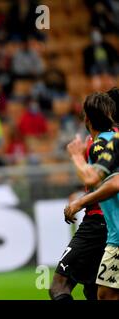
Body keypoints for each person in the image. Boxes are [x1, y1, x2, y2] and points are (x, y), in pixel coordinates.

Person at [49, 92, 115, 300]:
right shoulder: (112, 138)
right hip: (108, 227)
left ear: (86, 118)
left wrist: (77, 158)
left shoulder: (100, 144)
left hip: (98, 224)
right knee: (95, 291)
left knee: (59, 286)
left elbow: (94, 179)